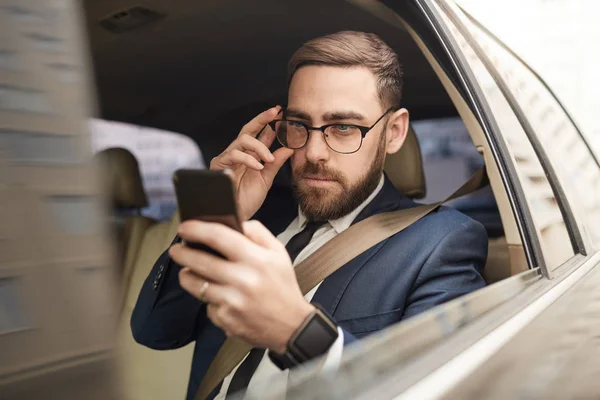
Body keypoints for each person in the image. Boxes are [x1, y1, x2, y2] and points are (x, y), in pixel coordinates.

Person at [131, 31, 487, 400]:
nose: (315, 151)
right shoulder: (254, 217)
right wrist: (215, 219)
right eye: (300, 125)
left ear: (394, 132)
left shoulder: (441, 242)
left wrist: (298, 333)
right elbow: (155, 333)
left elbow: (431, 389)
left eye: (344, 127)